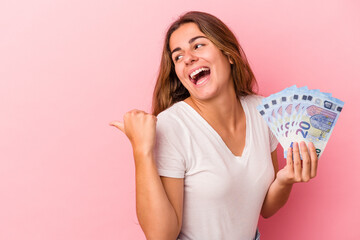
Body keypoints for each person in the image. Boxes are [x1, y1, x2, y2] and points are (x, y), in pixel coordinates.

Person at [110, 11, 318, 240]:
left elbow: (265, 208)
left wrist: (285, 179)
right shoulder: (171, 127)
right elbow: (161, 236)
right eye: (177, 57)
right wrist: (142, 151)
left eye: (198, 46)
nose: (187, 58)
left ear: (228, 54)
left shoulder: (263, 111)